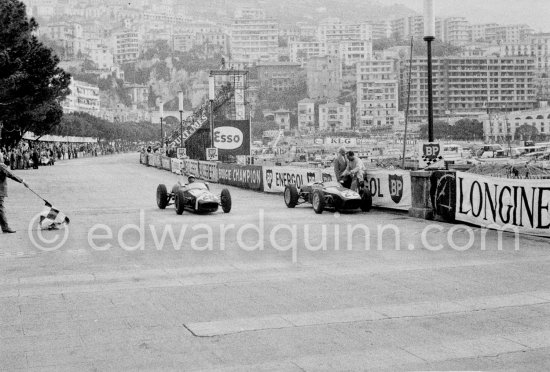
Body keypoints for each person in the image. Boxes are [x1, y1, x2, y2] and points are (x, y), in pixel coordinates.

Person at [0, 152, 28, 233]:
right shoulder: (1, 166)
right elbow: (11, 175)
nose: (3, 158)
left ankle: (5, 227)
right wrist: (22, 181)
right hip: (0, 191)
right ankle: (5, 227)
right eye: (2, 157)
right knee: (1, 209)